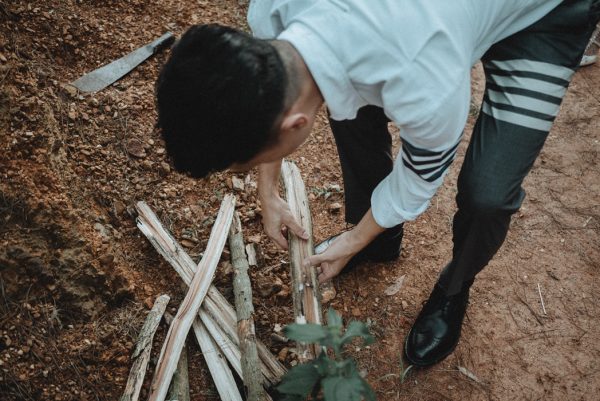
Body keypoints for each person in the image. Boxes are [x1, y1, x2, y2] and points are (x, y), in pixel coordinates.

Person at [156, 0, 600, 367]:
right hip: (432, 21)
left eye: (247, 166)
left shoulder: (425, 82)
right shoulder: (273, 11)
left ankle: (454, 287)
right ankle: (380, 242)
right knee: (341, 99)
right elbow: (267, 92)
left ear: (295, 125)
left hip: (543, 16)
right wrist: (267, 189)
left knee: (488, 195)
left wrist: (350, 240)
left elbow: (420, 175)